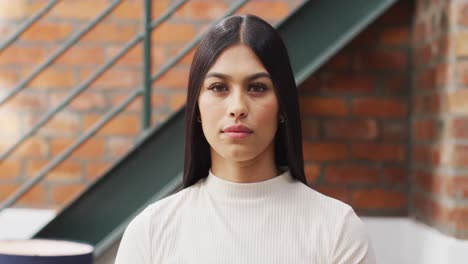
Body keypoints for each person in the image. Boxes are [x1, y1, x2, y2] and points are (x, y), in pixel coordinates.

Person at [115, 14, 375, 264]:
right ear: (196, 107)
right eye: (219, 88)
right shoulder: (150, 231)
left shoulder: (338, 230)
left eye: (257, 87)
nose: (237, 107)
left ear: (282, 106)